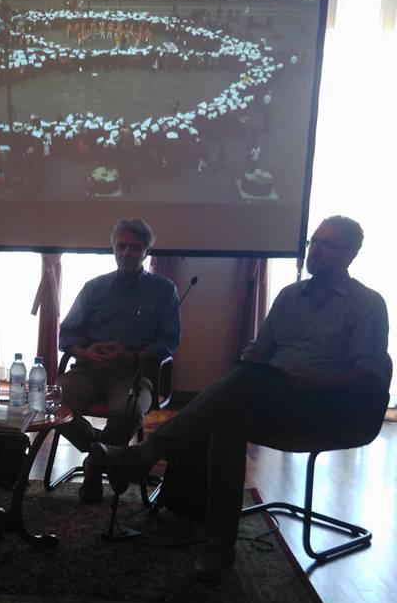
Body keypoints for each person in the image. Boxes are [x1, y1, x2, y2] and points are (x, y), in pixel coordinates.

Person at [89, 216, 391, 579]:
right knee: (229, 417)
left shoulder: (367, 304)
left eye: (328, 245)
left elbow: (370, 375)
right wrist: (250, 364)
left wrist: (314, 381)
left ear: (351, 254)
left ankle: (145, 455)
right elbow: (259, 348)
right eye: (314, 242)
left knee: (239, 389)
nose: (316, 251)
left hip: (324, 406)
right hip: (274, 396)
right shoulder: (289, 296)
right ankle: (220, 544)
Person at [58, 218, 181, 503]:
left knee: (128, 412)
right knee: (49, 404)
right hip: (88, 369)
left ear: (146, 252)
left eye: (135, 247)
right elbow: (67, 332)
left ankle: (93, 468)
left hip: (133, 372)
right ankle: (106, 455)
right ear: (113, 248)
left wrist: (130, 355)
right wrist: (85, 352)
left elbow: (169, 341)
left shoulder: (164, 290)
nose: (127, 253)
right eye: (121, 246)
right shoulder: (93, 287)